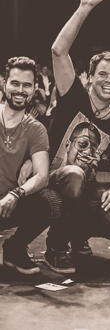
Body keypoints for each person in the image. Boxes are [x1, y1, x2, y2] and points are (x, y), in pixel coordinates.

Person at [44, 0, 110, 274]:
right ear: (90, 77)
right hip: (53, 178)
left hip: (86, 188)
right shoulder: (73, 97)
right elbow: (58, 51)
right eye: (103, 74)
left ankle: (77, 234)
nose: (108, 80)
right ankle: (56, 248)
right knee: (74, 174)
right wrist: (84, 8)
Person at [0, 57, 62, 274]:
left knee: (51, 202)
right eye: (15, 83)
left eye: (27, 85)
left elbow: (42, 176)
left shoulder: (36, 129)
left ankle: (14, 249)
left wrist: (15, 194)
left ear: (35, 88)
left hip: (7, 205)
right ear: (3, 83)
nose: (20, 90)